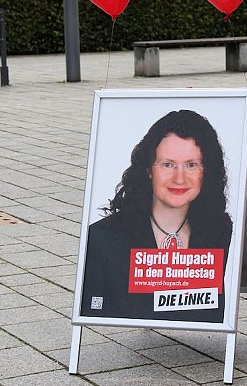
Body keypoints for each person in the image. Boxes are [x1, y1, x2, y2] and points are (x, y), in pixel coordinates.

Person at [80, 110, 234, 322]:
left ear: (206, 172)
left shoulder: (222, 231)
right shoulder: (102, 238)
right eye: (167, 164)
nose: (179, 178)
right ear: (149, 170)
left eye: (191, 165)